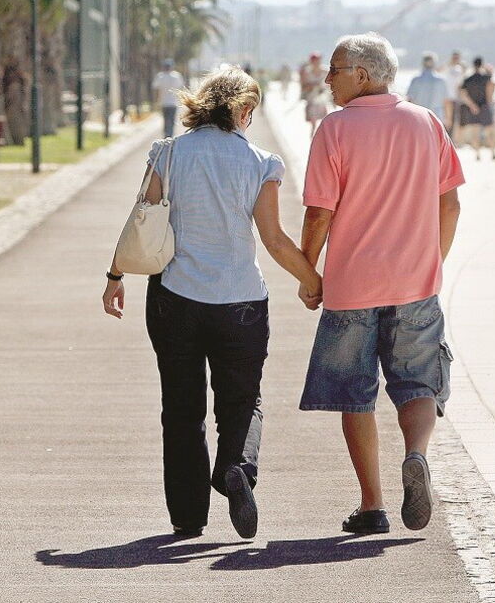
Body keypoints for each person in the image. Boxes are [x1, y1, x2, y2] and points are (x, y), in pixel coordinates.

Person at [102, 67, 322, 539]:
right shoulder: (262, 162)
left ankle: (187, 516)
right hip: (240, 300)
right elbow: (274, 240)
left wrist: (115, 276)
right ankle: (236, 468)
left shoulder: (167, 152)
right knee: (242, 401)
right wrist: (314, 282)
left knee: (181, 407)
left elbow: (141, 221)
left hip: (174, 298)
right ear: (244, 111)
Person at [298, 32, 464, 535]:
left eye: (336, 69)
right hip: (416, 283)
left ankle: (372, 506)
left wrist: (309, 274)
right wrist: (432, 261)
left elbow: (319, 213)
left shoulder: (336, 128)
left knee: (355, 394)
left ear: (363, 75)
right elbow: (450, 203)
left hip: (352, 286)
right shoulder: (425, 121)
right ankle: (416, 454)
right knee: (418, 383)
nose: (327, 78)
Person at [459, 57, 495, 160]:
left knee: (475, 132)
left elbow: (462, 94)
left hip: (473, 108)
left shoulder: (468, 79)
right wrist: (489, 104)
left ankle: (477, 154)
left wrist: (472, 105)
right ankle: (493, 153)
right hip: (484, 106)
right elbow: (489, 92)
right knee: (489, 132)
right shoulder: (486, 77)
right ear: (481, 64)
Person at [406, 52, 452, 126]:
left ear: (422, 63)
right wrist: (448, 119)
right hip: (437, 118)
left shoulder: (416, 80)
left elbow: (409, 100)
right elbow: (446, 102)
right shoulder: (441, 80)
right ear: (434, 63)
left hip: (419, 118)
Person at [152, 59, 186, 138]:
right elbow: (181, 88)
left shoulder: (160, 76)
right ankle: (170, 136)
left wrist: (156, 100)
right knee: (172, 120)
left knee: (166, 120)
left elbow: (156, 88)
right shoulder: (177, 76)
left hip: (164, 102)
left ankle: (166, 135)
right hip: (173, 103)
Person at [301, 52, 328, 138]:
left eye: (318, 60)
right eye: (314, 60)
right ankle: (313, 138)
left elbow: (330, 84)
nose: (316, 62)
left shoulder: (325, 71)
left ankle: (324, 137)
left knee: (325, 119)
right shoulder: (307, 72)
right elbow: (303, 86)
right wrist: (312, 86)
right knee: (313, 120)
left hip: (323, 98)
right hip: (311, 98)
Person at [442, 51, 466, 140]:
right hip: (447, 98)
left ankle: (451, 139)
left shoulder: (459, 68)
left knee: (454, 120)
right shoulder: (447, 67)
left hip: (455, 98)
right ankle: (446, 138)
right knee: (447, 120)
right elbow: (438, 71)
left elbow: (461, 81)